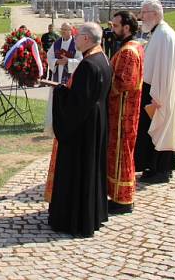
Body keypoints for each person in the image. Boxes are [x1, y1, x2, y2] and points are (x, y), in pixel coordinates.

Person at [47, 22, 111, 237]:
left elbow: (77, 103)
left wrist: (59, 92)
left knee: (79, 172)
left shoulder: (88, 65)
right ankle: (93, 213)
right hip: (96, 122)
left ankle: (74, 218)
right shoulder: (102, 58)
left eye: (77, 35)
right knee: (92, 170)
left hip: (81, 129)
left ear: (86, 38)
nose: (74, 39)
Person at [134, 0, 175, 184]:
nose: (141, 16)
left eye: (144, 12)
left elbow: (164, 70)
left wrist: (157, 98)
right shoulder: (158, 33)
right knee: (151, 132)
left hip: (158, 93)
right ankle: (152, 166)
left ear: (155, 14)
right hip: (153, 89)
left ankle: (161, 169)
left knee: (160, 130)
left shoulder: (164, 35)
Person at [107, 10, 144, 214]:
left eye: (116, 26)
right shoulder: (133, 46)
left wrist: (103, 83)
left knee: (122, 154)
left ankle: (123, 200)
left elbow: (124, 82)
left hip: (123, 112)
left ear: (127, 28)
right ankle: (119, 196)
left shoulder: (129, 51)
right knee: (120, 153)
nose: (113, 29)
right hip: (123, 111)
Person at [43, 22, 83, 135]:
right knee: (56, 101)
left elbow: (81, 60)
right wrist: (56, 62)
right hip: (57, 77)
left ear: (71, 30)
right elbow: (49, 56)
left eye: (66, 29)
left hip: (69, 78)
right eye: (62, 29)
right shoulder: (56, 43)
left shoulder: (76, 44)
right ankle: (55, 125)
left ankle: (68, 125)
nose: (63, 31)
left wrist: (68, 61)